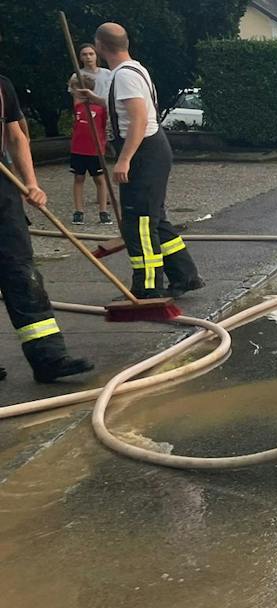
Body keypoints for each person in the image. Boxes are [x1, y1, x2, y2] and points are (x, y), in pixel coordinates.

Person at [81, 23, 203, 299]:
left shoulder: (124, 76)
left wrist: (124, 160)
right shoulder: (132, 70)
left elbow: (137, 119)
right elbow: (126, 108)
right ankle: (185, 276)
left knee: (139, 223)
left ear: (100, 46)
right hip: (151, 150)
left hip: (143, 152)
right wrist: (97, 100)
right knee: (155, 218)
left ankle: (148, 287)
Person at [0, 68, 94, 385]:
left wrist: (31, 183)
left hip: (4, 196)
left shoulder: (3, 85)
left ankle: (49, 359)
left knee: (23, 275)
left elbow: (15, 136)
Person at [66, 45, 114, 225]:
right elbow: (76, 102)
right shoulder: (76, 77)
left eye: (91, 53)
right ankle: (79, 211)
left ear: (96, 55)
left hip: (99, 132)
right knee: (79, 177)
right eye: (84, 54)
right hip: (80, 141)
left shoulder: (107, 74)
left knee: (99, 177)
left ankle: (104, 209)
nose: (88, 57)